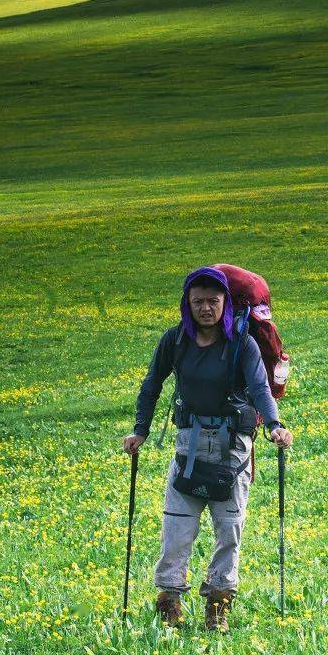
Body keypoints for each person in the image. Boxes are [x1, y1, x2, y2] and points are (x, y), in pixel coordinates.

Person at [122, 266, 294, 632]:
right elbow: (151, 386)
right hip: (188, 444)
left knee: (229, 528)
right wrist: (140, 431)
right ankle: (169, 601)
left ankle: (218, 604)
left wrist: (275, 425)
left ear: (225, 303)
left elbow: (261, 388)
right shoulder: (175, 341)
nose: (205, 308)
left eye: (213, 301)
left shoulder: (242, 343)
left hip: (233, 447)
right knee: (177, 527)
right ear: (187, 303)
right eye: (197, 301)